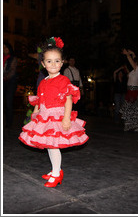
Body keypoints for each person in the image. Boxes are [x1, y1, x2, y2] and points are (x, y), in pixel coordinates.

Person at [18, 36, 89, 188]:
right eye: (49, 61)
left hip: (57, 116)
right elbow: (39, 99)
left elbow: (68, 99)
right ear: (43, 64)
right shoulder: (43, 82)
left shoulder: (63, 80)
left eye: (57, 60)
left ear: (62, 62)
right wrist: (35, 114)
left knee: (54, 145)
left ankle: (57, 174)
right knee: (50, 145)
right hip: (44, 116)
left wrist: (66, 118)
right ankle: (55, 170)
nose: (53, 64)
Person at [119, 48, 138, 132]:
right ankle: (133, 126)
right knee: (132, 108)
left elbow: (131, 61)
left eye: (135, 62)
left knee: (129, 108)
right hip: (132, 90)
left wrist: (127, 54)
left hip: (133, 90)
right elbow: (133, 60)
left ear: (137, 63)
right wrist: (132, 53)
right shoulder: (136, 70)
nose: (133, 62)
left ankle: (137, 126)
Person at [3, 42, 17, 128]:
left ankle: (9, 122)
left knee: (8, 102)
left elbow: (12, 71)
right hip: (3, 82)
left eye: (6, 47)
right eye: (3, 47)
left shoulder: (13, 59)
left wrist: (4, 77)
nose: (4, 49)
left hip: (10, 83)